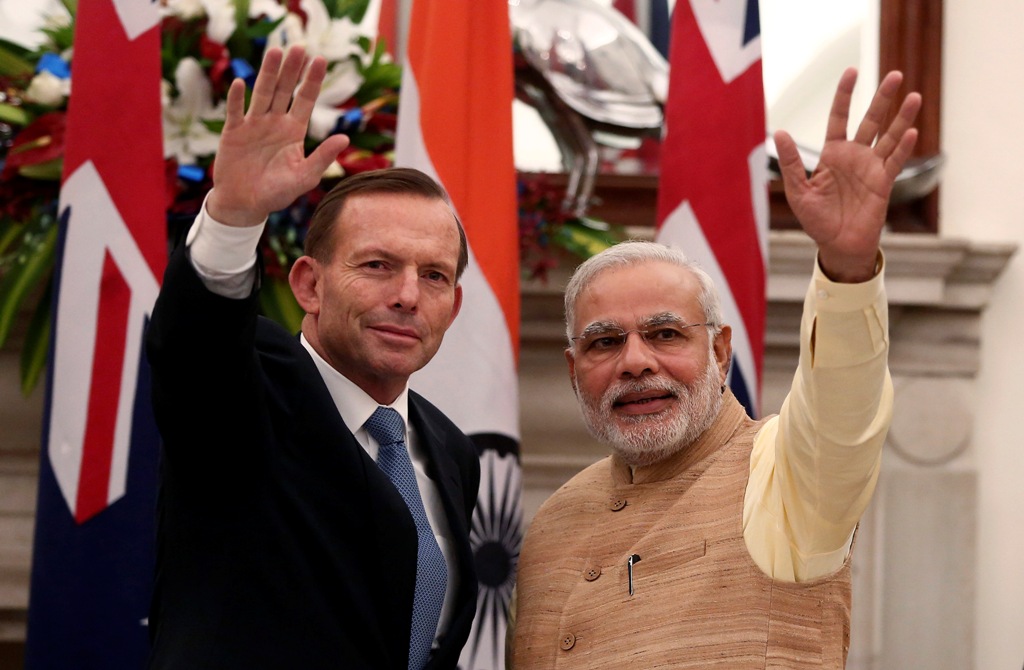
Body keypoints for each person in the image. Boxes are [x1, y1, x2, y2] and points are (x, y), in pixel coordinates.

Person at [509, 68, 922, 669]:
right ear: (574, 370)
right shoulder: (552, 522)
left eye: (665, 333)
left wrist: (847, 266)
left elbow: (842, 414)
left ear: (721, 351)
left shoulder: (785, 480)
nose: (635, 362)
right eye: (603, 343)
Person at [145, 46, 480, 669]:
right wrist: (236, 217)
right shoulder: (253, 385)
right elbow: (196, 346)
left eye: (433, 276)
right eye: (378, 266)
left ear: (453, 307)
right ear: (309, 285)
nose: (408, 296)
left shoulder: (451, 449)